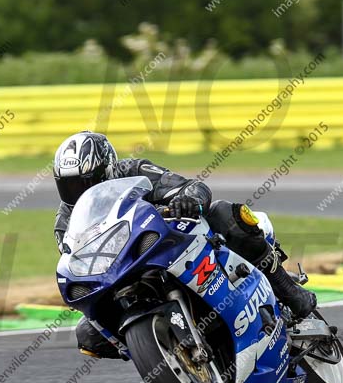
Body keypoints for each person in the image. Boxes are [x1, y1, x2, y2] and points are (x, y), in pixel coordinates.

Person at [53, 131, 317, 359]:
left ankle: (288, 291)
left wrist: (188, 199)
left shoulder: (133, 171)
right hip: (121, 269)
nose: (79, 191)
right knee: (87, 335)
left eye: (86, 182)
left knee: (226, 214)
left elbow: (191, 186)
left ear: (107, 169)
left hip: (170, 240)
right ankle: (165, 352)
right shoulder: (66, 221)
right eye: (70, 185)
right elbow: (77, 259)